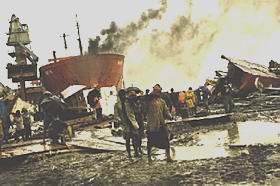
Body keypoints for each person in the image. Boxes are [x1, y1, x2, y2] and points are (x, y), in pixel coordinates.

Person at [146, 84, 173, 162]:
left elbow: (166, 111)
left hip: (161, 123)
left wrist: (170, 117)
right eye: (156, 91)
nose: (157, 93)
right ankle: (149, 157)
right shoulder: (148, 102)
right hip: (152, 124)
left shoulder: (162, 101)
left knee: (166, 140)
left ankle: (168, 156)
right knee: (150, 141)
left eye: (158, 91)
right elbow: (143, 111)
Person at [115, 89, 140, 158]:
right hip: (125, 124)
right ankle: (129, 153)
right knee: (128, 140)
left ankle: (136, 152)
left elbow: (136, 110)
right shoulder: (117, 105)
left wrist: (135, 103)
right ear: (119, 96)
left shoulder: (129, 102)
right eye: (121, 95)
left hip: (132, 122)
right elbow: (116, 115)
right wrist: (118, 120)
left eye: (124, 94)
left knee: (135, 138)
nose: (123, 96)